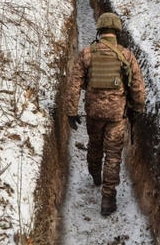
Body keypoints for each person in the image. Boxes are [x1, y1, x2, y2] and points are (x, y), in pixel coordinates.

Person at [66, 12, 146, 216]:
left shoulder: (86, 53)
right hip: (116, 115)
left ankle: (95, 175)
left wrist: (71, 112)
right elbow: (138, 88)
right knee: (113, 155)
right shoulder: (126, 55)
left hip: (93, 113)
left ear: (99, 30)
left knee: (94, 144)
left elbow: (74, 84)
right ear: (117, 31)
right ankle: (107, 199)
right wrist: (136, 110)